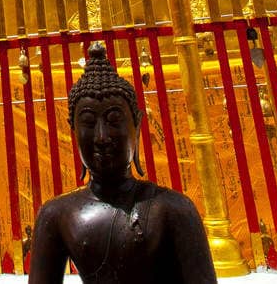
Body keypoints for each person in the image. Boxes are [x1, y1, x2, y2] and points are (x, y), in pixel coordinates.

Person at [27, 43, 216, 283]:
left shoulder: (173, 209)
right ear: (73, 130)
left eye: (114, 120)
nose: (102, 137)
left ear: (136, 125)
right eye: (87, 122)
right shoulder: (56, 215)